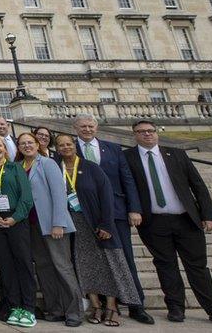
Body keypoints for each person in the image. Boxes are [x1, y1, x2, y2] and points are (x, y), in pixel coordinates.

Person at [124, 120, 212, 328]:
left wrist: (208, 214)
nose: (147, 135)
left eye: (150, 131)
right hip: (152, 222)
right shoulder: (127, 158)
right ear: (134, 135)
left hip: (186, 219)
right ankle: (175, 307)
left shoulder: (176, 154)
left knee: (198, 267)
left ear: (156, 133)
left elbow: (198, 185)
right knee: (166, 266)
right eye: (141, 132)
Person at [71, 114, 150, 324]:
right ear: (75, 128)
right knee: (94, 261)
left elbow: (127, 180)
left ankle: (135, 304)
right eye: (82, 126)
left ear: (96, 127)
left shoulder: (113, 148)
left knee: (124, 258)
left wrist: (134, 208)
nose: (87, 129)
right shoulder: (69, 150)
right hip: (84, 214)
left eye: (90, 126)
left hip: (115, 211)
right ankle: (103, 303)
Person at [54, 134, 140, 327]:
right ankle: (95, 305)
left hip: (94, 221)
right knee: (84, 264)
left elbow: (106, 196)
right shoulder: (56, 168)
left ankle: (112, 306)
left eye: (68, 144)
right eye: (61, 145)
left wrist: (107, 224)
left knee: (108, 263)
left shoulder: (91, 167)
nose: (65, 147)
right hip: (72, 223)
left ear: (75, 146)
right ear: (57, 149)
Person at [16, 132, 81, 327]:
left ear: (37, 145)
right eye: (23, 144)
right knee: (44, 268)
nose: (27, 146)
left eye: (30, 143)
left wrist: (58, 222)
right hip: (32, 225)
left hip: (53, 224)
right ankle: (55, 309)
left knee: (62, 267)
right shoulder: (19, 167)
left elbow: (59, 193)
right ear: (18, 148)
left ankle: (74, 311)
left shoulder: (47, 163)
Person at [0, 133, 36, 328]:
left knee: (23, 263)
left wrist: (15, 217)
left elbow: (26, 197)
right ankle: (14, 306)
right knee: (5, 266)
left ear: (5, 149)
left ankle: (28, 307)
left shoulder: (16, 168)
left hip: (16, 220)